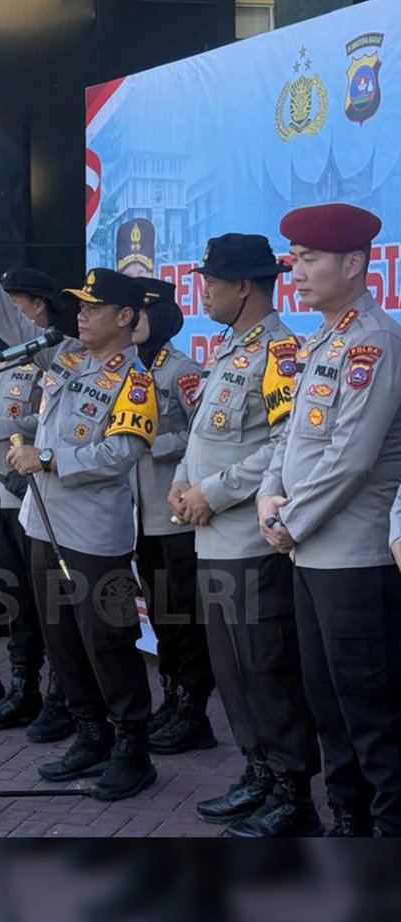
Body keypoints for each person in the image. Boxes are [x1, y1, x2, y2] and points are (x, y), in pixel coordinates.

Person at [0, 227, 161, 803]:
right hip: (43, 526)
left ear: (124, 317)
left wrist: (45, 455)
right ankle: (89, 732)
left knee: (110, 642)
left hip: (96, 538)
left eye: (95, 308)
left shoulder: (135, 382)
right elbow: (11, 321)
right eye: (81, 306)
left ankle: (131, 750)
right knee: (61, 638)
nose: (82, 315)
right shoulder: (65, 356)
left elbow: (121, 454)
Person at [169, 233, 321, 837]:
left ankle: (293, 792)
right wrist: (182, 483)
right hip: (212, 540)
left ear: (244, 287)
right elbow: (201, 437)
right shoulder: (231, 349)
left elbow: (285, 447)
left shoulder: (281, 352)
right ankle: (257, 771)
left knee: (267, 669)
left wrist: (216, 491)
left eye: (212, 281)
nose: (203, 290)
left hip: (251, 543)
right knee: (232, 670)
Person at [259, 203, 401, 838]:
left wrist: (293, 522)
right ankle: (349, 830)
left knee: (373, 720)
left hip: (353, 561)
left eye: (310, 258)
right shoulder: (323, 339)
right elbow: (289, 434)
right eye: (295, 258)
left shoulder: (375, 342)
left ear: (354, 262)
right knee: (329, 711)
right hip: (309, 556)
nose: (297, 269)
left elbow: (352, 457)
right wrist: (268, 495)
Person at [0, 267, 73, 742]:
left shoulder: (53, 354)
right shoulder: (5, 358)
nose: (6, 313)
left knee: (50, 604)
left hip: (39, 493)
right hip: (2, 492)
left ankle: (60, 695)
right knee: (15, 598)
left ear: (36, 306)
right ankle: (23, 686)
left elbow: (45, 419)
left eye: (14, 301)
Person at [131, 277, 216, 755]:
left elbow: (202, 435)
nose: (135, 321)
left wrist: (155, 444)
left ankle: (194, 711)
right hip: (140, 514)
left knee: (184, 616)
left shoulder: (181, 370)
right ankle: (172, 698)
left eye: (143, 312)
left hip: (175, 513)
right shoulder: (129, 369)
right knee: (161, 617)